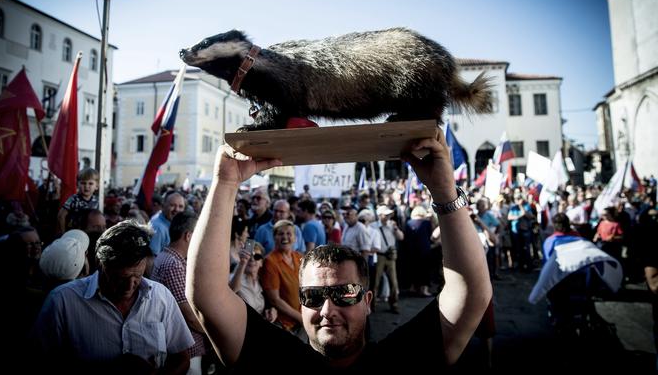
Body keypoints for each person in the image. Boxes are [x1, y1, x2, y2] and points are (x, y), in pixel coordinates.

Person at [186, 131, 491, 372]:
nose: (327, 310)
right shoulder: (277, 360)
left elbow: (473, 292)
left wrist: (445, 192)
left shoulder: (400, 360)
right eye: (313, 296)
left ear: (368, 301)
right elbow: (207, 296)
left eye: (345, 293)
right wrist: (224, 183)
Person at [32, 220, 194, 372]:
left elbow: (182, 357)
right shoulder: (62, 301)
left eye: (137, 276)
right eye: (121, 278)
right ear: (101, 263)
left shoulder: (161, 296)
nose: (130, 286)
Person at [153, 212, 210, 375]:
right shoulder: (174, 264)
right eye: (199, 235)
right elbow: (190, 317)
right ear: (188, 236)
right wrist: (215, 336)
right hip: (186, 350)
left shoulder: (168, 257)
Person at [56, 167, 99, 235]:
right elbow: (61, 215)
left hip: (89, 234)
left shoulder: (96, 201)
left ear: (96, 186)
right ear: (77, 184)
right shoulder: (73, 199)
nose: (86, 186)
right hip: (73, 233)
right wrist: (63, 233)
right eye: (83, 183)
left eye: (90, 183)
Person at [150, 191, 187, 255]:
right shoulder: (158, 228)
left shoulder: (174, 223)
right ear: (163, 206)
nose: (177, 209)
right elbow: (152, 259)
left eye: (180, 207)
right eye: (172, 205)